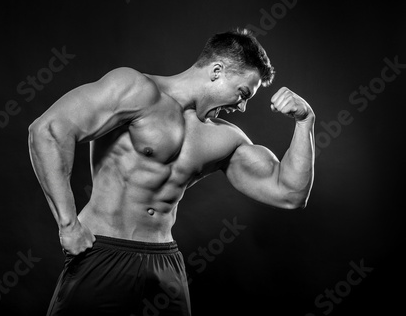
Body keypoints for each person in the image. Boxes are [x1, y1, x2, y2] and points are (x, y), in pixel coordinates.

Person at [28, 28, 315, 316]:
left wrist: (305, 121)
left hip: (165, 264)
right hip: (105, 251)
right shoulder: (136, 90)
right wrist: (68, 226)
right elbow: (48, 131)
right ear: (217, 71)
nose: (241, 107)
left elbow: (290, 193)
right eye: (242, 93)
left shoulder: (225, 138)